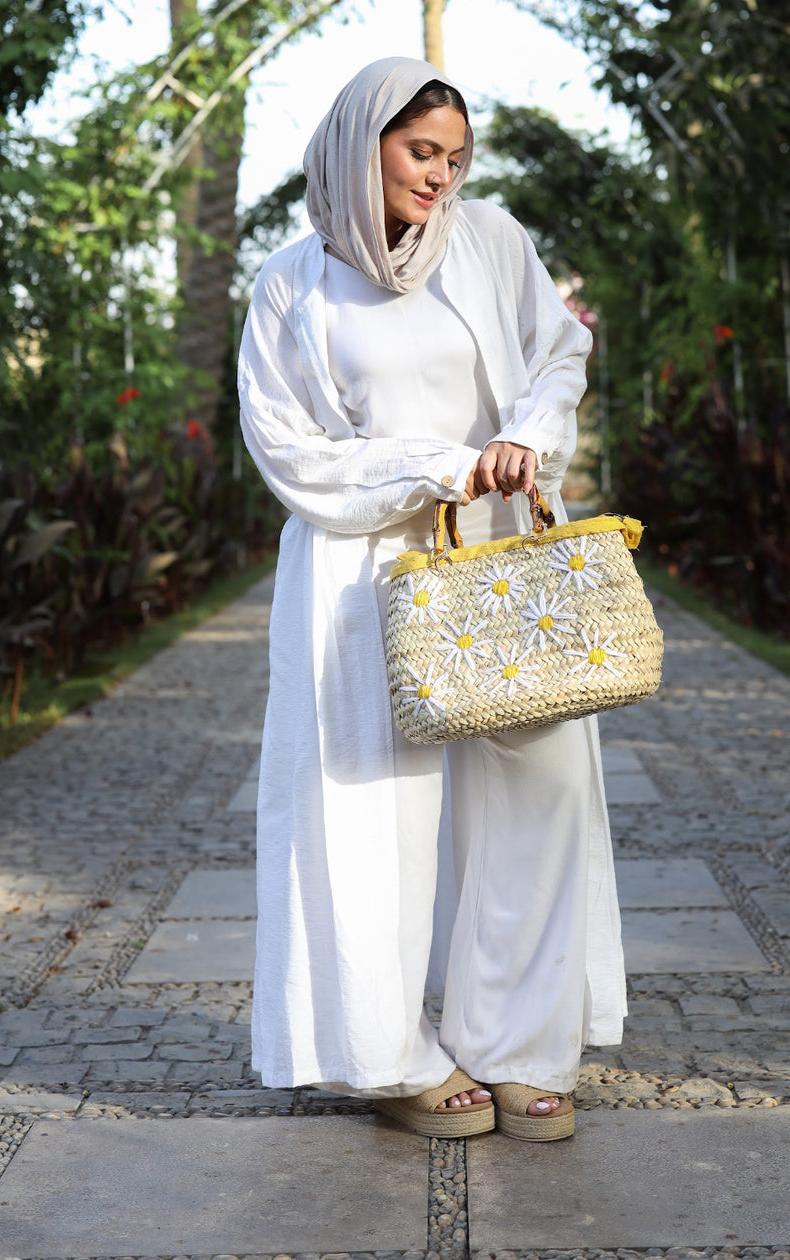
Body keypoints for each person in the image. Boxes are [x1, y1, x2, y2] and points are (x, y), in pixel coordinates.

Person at [238, 55, 626, 1142]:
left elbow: (560, 353)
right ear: (362, 140)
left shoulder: (492, 241)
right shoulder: (292, 284)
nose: (440, 177)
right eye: (421, 152)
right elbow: (290, 450)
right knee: (374, 813)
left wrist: (522, 441)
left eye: (455, 158)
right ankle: (394, 1055)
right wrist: (432, 465)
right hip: (360, 571)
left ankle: (520, 1046)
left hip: (501, 552)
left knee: (537, 788)